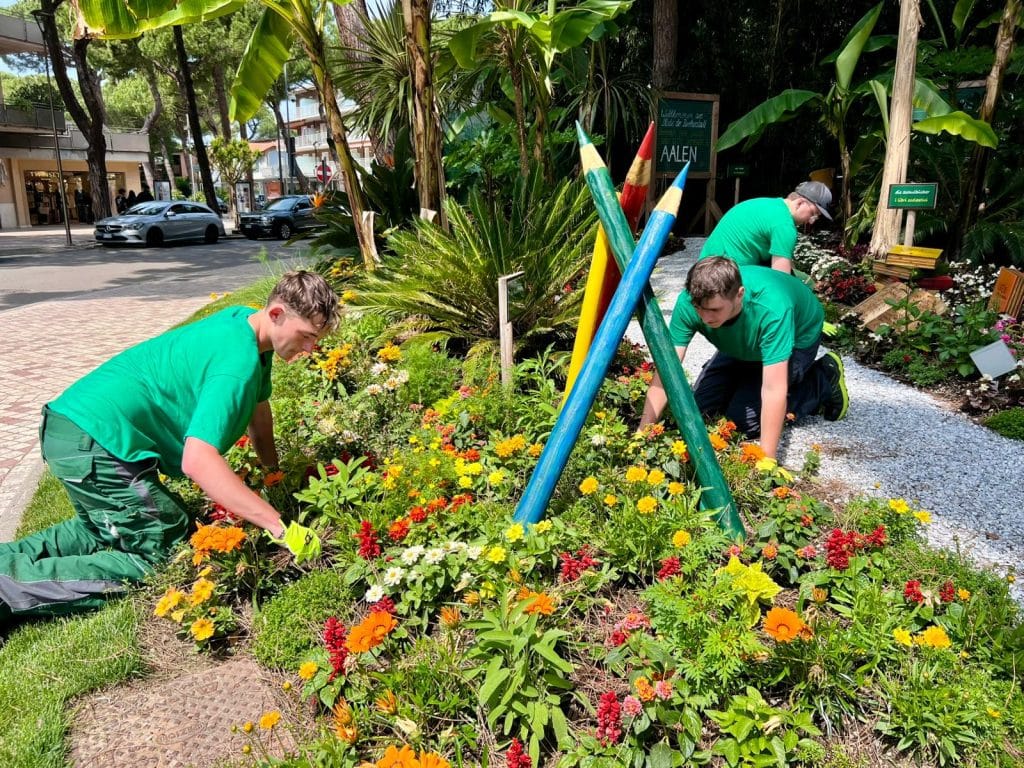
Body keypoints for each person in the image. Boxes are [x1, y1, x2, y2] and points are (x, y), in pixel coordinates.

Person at [0, 271, 339, 624]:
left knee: (107, 529)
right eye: (307, 336)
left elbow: (259, 411)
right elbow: (198, 460)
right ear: (276, 314)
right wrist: (279, 527)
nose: (311, 349)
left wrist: (274, 476)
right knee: (165, 549)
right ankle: (7, 588)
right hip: (95, 441)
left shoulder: (243, 323)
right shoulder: (237, 364)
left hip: (76, 426)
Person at [639, 257, 848, 459]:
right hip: (741, 342)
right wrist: (643, 434)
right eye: (699, 308)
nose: (705, 317)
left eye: (714, 309)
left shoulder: (772, 309)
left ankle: (823, 378)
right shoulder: (689, 303)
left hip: (797, 338)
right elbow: (667, 371)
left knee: (742, 422)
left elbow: (774, 389)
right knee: (700, 414)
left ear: (739, 294)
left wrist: (767, 460)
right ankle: (744, 375)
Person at [699, 180, 833, 274]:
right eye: (813, 214)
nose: (811, 221)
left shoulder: (768, 204)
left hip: (703, 269)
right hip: (721, 279)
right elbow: (781, 279)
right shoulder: (784, 225)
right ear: (799, 203)